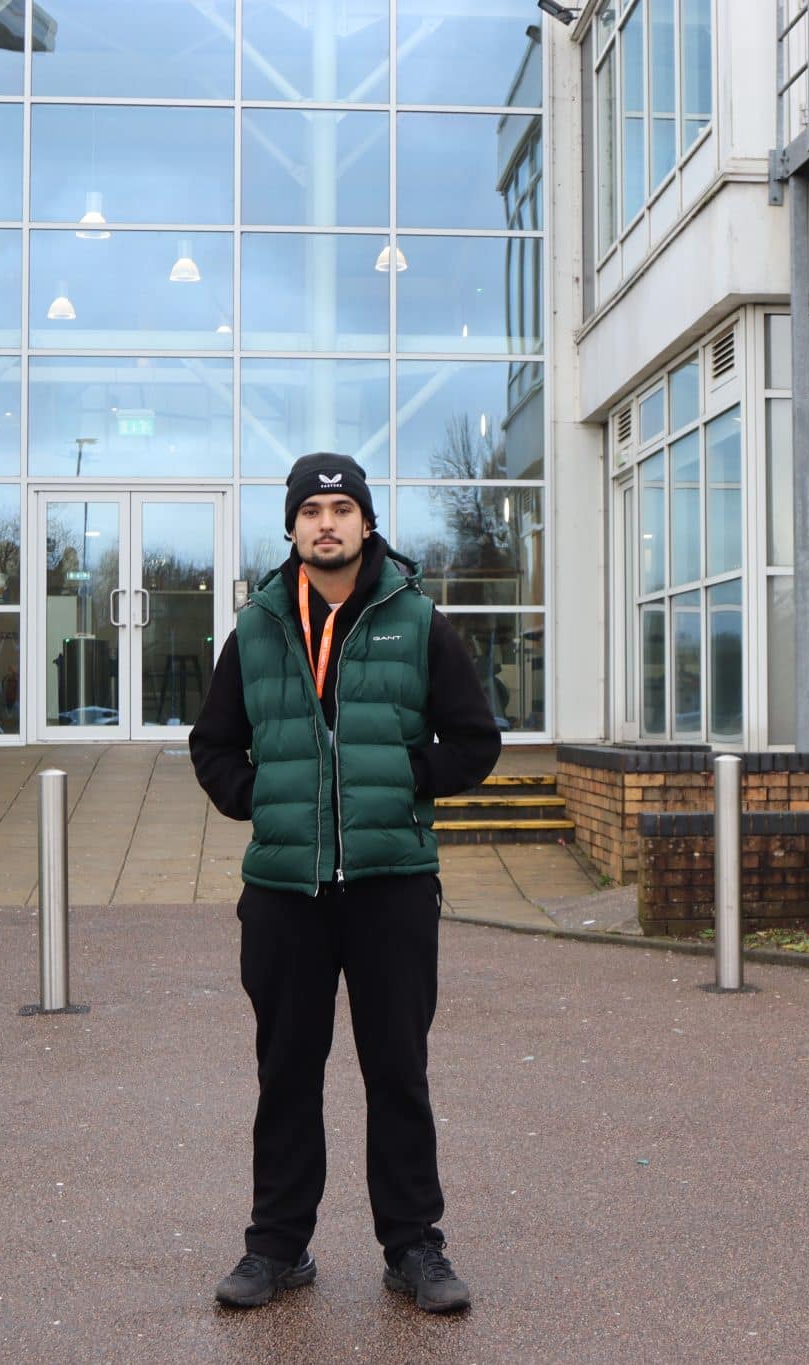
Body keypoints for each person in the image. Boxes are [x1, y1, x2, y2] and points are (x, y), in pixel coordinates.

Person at [190, 451, 502, 1314]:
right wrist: (261, 796)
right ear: (291, 528)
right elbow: (212, 746)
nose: (326, 523)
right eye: (311, 510)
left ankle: (414, 1245)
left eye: (341, 508)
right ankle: (276, 1247)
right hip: (285, 891)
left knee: (397, 1069)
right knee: (286, 1070)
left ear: (366, 524)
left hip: (390, 884)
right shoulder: (255, 627)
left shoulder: (417, 621)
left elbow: (475, 741)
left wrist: (406, 776)